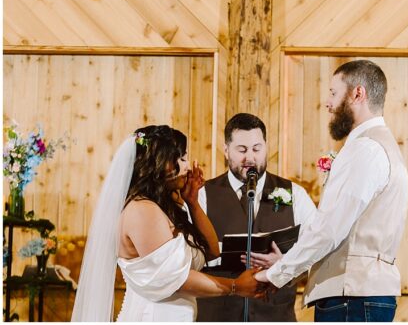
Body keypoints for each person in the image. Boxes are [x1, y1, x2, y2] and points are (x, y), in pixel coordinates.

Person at [255, 60, 408, 322]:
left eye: (333, 93)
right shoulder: (383, 146)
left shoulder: (365, 149)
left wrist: (277, 273)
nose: (327, 103)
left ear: (357, 94)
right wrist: (289, 261)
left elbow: (329, 229)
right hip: (365, 293)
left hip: (351, 297)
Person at [71, 125, 265, 322]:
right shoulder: (142, 211)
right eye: (180, 159)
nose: (188, 167)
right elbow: (176, 279)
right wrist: (235, 286)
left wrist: (193, 202)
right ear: (159, 162)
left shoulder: (165, 208)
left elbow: (211, 251)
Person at [196, 114, 317, 321]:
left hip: (276, 316)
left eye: (256, 149)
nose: (250, 158)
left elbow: (317, 249)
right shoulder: (202, 195)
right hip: (217, 315)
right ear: (226, 150)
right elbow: (189, 255)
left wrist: (286, 262)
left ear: (266, 147)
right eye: (241, 150)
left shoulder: (295, 194)